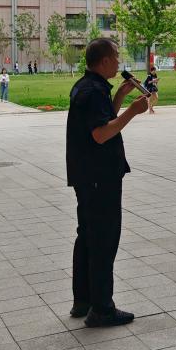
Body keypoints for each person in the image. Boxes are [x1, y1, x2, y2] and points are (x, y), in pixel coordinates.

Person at [67, 38, 148, 326]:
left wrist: (120, 96)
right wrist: (132, 112)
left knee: (88, 236)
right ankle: (102, 308)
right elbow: (101, 134)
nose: (118, 61)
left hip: (87, 176)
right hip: (99, 177)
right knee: (103, 239)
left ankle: (83, 300)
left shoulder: (87, 86)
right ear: (104, 61)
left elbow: (101, 119)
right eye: (115, 56)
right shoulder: (94, 91)